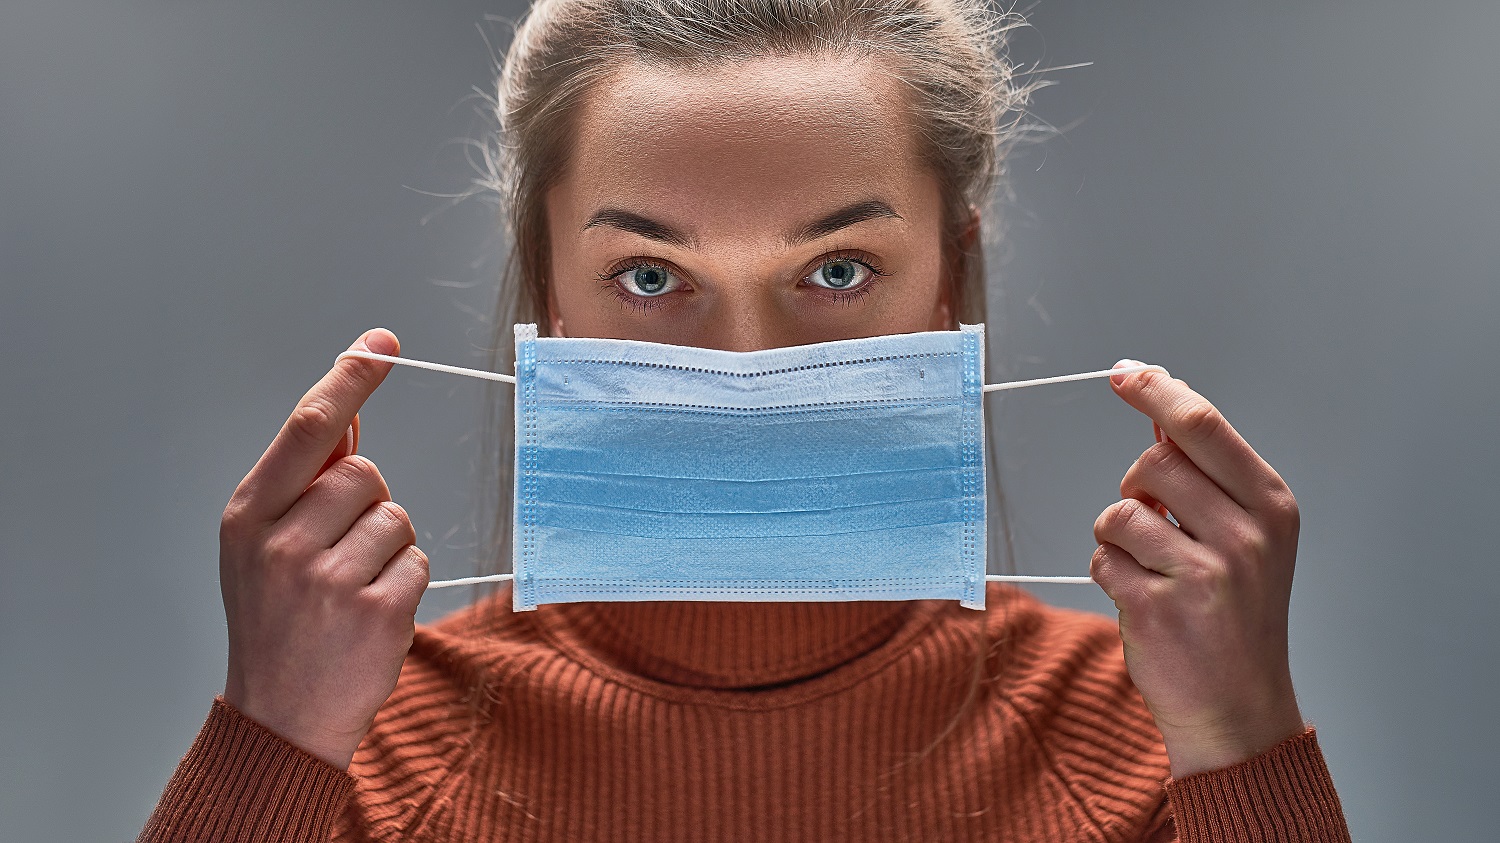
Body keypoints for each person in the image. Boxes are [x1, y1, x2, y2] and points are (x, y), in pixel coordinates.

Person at [139, 0, 1352, 840]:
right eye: (653, 277)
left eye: (836, 270)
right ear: (548, 290)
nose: (747, 366)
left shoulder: (1154, 741)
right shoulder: (352, 752)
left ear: (949, 278)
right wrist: (270, 742)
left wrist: (1242, 737)